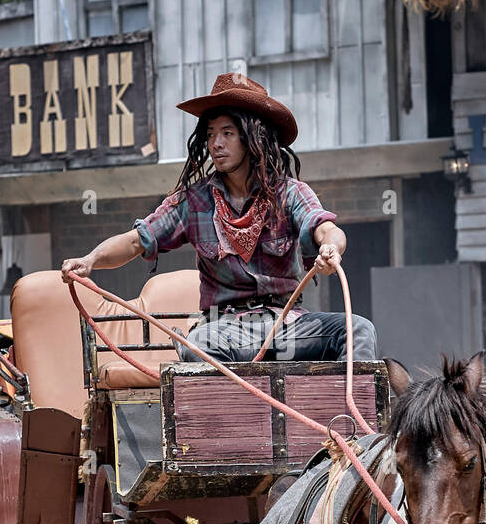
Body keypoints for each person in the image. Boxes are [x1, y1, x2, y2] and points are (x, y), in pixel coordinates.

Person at [61, 73, 377, 363]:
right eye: (211, 134)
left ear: (254, 138)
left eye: (227, 133)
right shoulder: (193, 202)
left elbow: (326, 228)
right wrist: (90, 260)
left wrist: (331, 249)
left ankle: (349, 422)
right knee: (198, 345)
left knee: (358, 329)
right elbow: (136, 241)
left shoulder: (290, 193)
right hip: (225, 328)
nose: (216, 143)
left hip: (288, 325)